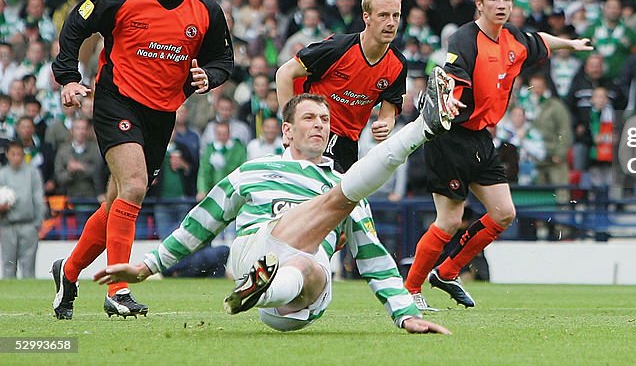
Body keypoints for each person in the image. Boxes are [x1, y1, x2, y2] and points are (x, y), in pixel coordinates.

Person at [95, 86, 456, 334]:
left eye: (325, 120)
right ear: (286, 131)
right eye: (310, 118)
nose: (319, 124)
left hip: (303, 296)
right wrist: (147, 267)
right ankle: (422, 128)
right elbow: (201, 222)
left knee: (310, 258)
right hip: (255, 251)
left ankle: (261, 290)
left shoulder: (343, 185)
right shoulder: (253, 172)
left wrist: (405, 315)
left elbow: (373, 257)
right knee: (336, 202)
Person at [50, 0, 234, 319]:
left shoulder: (206, 11)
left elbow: (222, 60)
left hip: (162, 114)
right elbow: (77, 21)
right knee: (134, 186)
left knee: (119, 200)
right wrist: (68, 76)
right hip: (116, 99)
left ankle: (68, 271)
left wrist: (209, 78)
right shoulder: (122, 0)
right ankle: (118, 290)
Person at [404, 0, 593, 310]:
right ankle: (410, 290)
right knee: (448, 220)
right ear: (479, 4)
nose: (502, 5)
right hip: (449, 137)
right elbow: (452, 75)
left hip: (479, 137)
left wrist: (571, 44)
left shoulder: (514, 39)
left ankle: (447, 272)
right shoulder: (464, 38)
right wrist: (452, 98)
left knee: (504, 212)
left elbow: (540, 40)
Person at [275, 0, 407, 173]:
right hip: (316, 130)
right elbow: (284, 74)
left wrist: (385, 125)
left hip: (349, 143)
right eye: (383, 15)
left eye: (396, 16)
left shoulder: (398, 65)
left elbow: (388, 112)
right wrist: (290, 125)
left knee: (336, 200)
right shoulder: (338, 48)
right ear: (366, 17)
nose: (391, 23)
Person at [0, 141, 46, 278]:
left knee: (29, 266)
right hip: (7, 225)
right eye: (13, 154)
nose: (16, 158)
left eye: (19, 154)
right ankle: (7, 297)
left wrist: (37, 223)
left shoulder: (32, 173)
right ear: (7, 155)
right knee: (8, 265)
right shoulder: (2, 174)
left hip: (28, 224)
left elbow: (38, 198)